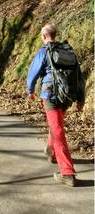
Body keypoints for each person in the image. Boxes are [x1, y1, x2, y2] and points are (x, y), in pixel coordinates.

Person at [26, 23, 85, 187]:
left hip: (50, 95)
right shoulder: (68, 51)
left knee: (58, 131)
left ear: (43, 36)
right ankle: (51, 152)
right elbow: (79, 77)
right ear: (55, 35)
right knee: (56, 125)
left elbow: (32, 74)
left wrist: (30, 91)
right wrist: (81, 99)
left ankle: (67, 173)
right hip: (67, 96)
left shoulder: (43, 52)